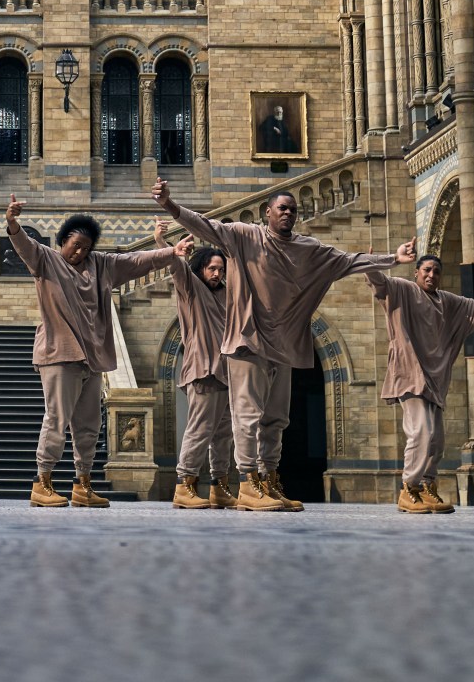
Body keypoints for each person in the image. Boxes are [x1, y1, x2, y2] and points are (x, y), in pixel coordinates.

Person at [153, 178, 414, 512]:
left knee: (275, 419)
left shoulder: (308, 249)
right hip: (246, 343)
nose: (288, 213)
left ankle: (268, 479)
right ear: (267, 212)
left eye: (292, 209)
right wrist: (170, 207)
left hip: (283, 346)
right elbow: (206, 226)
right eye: (282, 208)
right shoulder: (245, 236)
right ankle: (247, 483)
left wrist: (393, 258)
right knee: (245, 416)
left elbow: (348, 261)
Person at [4, 195, 177, 508]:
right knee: (56, 419)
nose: (79, 252)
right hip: (59, 355)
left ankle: (82, 484)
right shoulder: (46, 260)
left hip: (91, 358)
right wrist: (13, 222)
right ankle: (42, 483)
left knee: (88, 425)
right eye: (74, 245)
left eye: (85, 247)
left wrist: (169, 250)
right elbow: (24, 246)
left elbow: (138, 262)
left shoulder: (102, 265)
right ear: (63, 241)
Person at [369, 255, 474, 513]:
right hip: (409, 373)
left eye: (436, 271)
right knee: (421, 431)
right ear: (416, 273)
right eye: (426, 270)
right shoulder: (404, 290)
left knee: (437, 440)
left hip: (434, 379)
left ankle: (426, 486)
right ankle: (408, 489)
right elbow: (380, 283)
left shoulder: (448, 301)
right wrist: (373, 263)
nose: (431, 275)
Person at [159, 223, 234, 510]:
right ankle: (184, 485)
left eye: (220, 269)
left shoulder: (227, 294)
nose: (217, 274)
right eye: (212, 269)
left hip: (227, 373)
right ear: (201, 269)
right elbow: (178, 270)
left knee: (224, 435)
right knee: (200, 429)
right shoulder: (191, 289)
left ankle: (220, 487)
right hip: (202, 369)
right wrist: (164, 243)